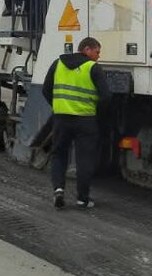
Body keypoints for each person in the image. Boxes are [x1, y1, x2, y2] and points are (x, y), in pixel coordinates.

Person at [42, 36, 110, 209]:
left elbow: (45, 89)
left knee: (59, 155)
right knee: (84, 159)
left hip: (61, 119)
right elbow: (106, 96)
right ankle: (83, 198)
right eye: (97, 52)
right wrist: (97, 114)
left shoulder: (57, 64)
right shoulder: (92, 67)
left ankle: (58, 190)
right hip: (85, 121)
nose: (98, 56)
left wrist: (58, 105)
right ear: (87, 49)